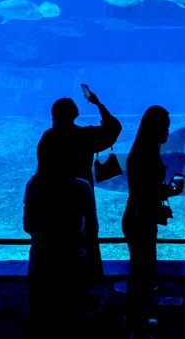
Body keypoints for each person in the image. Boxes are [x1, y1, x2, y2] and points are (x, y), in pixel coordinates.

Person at [24, 145, 97, 339]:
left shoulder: (34, 184)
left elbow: (27, 225)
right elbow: (91, 228)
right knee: (69, 331)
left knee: (41, 330)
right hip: (70, 266)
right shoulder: (81, 187)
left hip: (40, 265)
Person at [37, 85, 122, 286]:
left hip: (52, 204)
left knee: (56, 248)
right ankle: (84, 291)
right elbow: (114, 128)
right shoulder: (83, 137)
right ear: (74, 114)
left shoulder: (46, 139)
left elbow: (41, 172)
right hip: (80, 202)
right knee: (84, 241)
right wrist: (97, 103)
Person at [121, 105, 181, 339]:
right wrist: (165, 194)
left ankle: (135, 320)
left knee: (139, 274)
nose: (168, 130)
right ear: (155, 128)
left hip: (139, 217)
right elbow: (145, 193)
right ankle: (139, 334)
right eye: (165, 126)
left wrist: (167, 191)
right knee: (144, 276)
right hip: (140, 220)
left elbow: (145, 191)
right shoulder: (144, 155)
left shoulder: (144, 150)